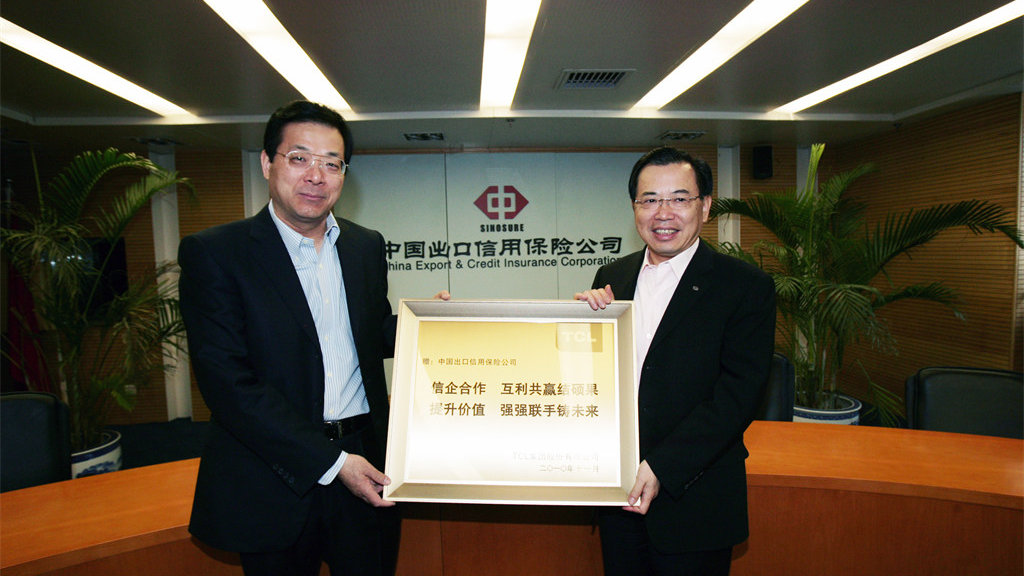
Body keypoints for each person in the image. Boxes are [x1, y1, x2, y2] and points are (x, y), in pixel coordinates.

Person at [179, 100, 445, 576]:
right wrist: (333, 462)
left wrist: (428, 325)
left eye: (331, 163)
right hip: (273, 473)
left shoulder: (364, 245)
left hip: (367, 462)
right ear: (267, 163)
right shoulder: (217, 253)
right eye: (299, 158)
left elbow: (369, 333)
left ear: (344, 174)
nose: (316, 176)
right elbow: (227, 383)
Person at [575, 147, 776, 576]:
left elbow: (738, 396)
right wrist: (581, 327)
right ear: (634, 207)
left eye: (679, 199)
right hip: (618, 496)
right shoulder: (611, 277)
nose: (663, 213)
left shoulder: (745, 286)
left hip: (695, 501)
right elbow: (595, 379)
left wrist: (662, 467)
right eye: (649, 200)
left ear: (704, 206)